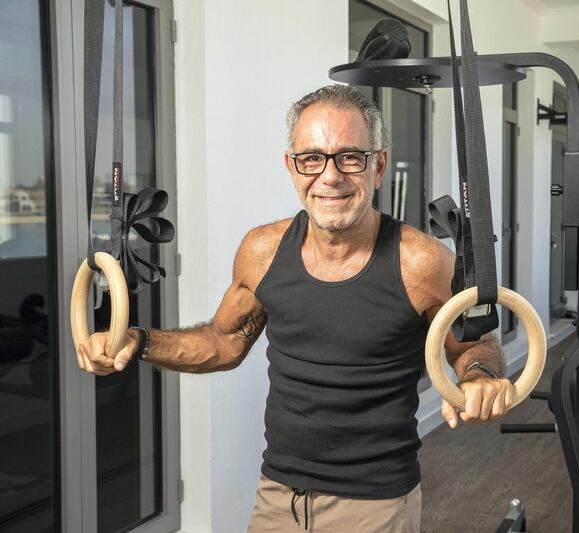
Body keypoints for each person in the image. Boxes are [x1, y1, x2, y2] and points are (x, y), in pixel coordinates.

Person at [76, 84, 512, 532]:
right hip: (278, 496)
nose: (330, 176)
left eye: (350, 157)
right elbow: (223, 342)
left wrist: (481, 378)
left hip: (375, 503)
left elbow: (470, 348)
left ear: (378, 165)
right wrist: (137, 340)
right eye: (312, 158)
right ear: (292, 166)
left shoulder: (421, 263)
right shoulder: (262, 251)